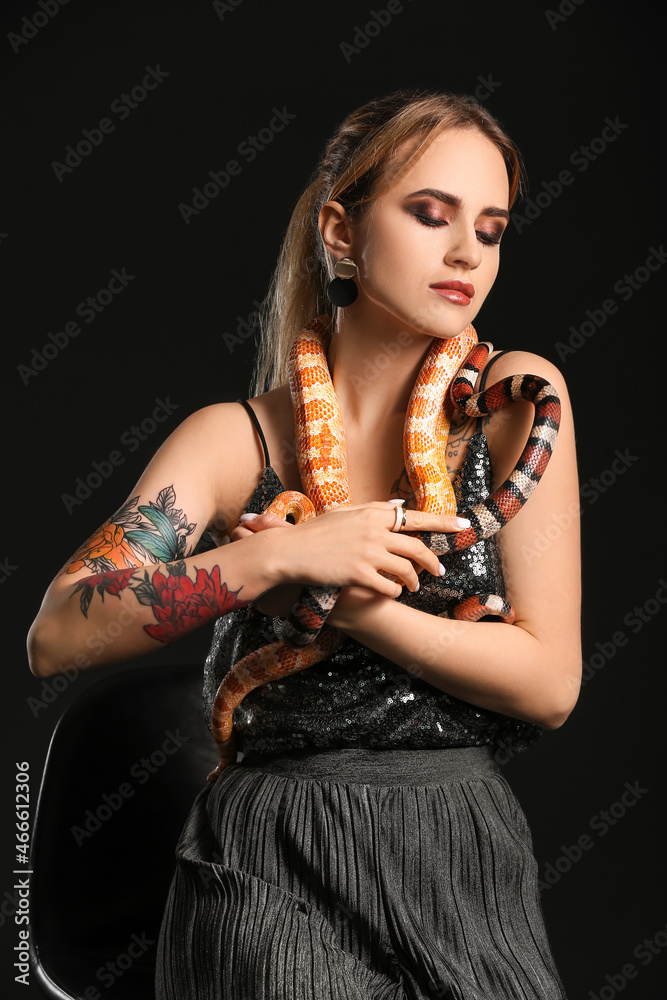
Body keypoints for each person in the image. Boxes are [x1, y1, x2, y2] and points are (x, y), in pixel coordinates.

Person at [28, 90, 580, 999]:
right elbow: (57, 635)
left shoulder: (514, 403)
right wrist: (274, 559)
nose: (463, 255)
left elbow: (549, 683)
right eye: (428, 214)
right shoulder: (230, 441)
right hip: (265, 853)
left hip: (459, 844)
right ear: (340, 231)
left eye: (489, 229)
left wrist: (357, 605)